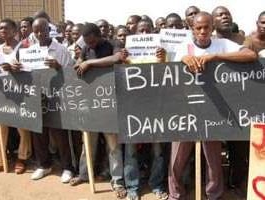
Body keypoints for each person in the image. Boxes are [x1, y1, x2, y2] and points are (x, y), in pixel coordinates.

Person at [168, 12, 257, 200]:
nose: (202, 31)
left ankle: (214, 194)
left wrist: (214, 57)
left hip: (214, 109)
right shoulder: (184, 47)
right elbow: (171, 72)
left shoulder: (221, 44)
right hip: (187, 109)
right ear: (192, 29)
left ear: (212, 28)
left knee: (213, 158)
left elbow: (250, 54)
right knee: (178, 156)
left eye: (206, 27)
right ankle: (176, 194)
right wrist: (184, 58)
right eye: (198, 28)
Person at [70, 23, 127, 199]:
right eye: (87, 42)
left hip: (110, 104)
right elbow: (79, 67)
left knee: (113, 146)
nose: (91, 45)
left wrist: (89, 62)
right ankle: (84, 174)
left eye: (93, 41)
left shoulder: (113, 43)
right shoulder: (85, 48)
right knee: (87, 143)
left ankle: (117, 180)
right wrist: (80, 60)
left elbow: (117, 58)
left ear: (99, 35)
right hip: (91, 105)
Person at [123, 19, 168, 200]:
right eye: (140, 31)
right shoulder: (127, 53)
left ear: (153, 32)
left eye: (147, 31)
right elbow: (121, 79)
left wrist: (163, 60)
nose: (143, 34)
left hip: (156, 108)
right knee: (131, 150)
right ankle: (132, 187)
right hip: (133, 109)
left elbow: (169, 78)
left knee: (158, 150)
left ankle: (156, 185)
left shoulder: (162, 53)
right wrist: (124, 61)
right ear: (135, 32)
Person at [26, 18, 75, 183]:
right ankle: (43, 165)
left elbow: (73, 74)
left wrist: (59, 66)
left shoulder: (61, 50)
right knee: (38, 134)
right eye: (36, 30)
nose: (40, 33)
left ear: (49, 29)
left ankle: (67, 167)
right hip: (37, 98)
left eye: (43, 30)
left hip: (57, 98)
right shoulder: (30, 51)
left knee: (59, 135)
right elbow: (26, 74)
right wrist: (17, 67)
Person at [0, 18, 32, 176]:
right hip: (2, 96)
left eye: (5, 29)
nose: (1, 31)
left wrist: (17, 68)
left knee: (23, 129)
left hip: (20, 96)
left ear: (14, 30)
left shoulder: (24, 46)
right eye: (0, 29)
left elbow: (34, 70)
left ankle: (22, 158)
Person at [212, 6, 247, 197]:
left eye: (227, 14)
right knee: (213, 149)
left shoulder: (243, 40)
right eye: (220, 14)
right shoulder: (209, 42)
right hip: (213, 101)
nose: (224, 16)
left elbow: (250, 56)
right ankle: (215, 186)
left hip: (239, 101)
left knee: (238, 146)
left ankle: (236, 182)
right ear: (213, 21)